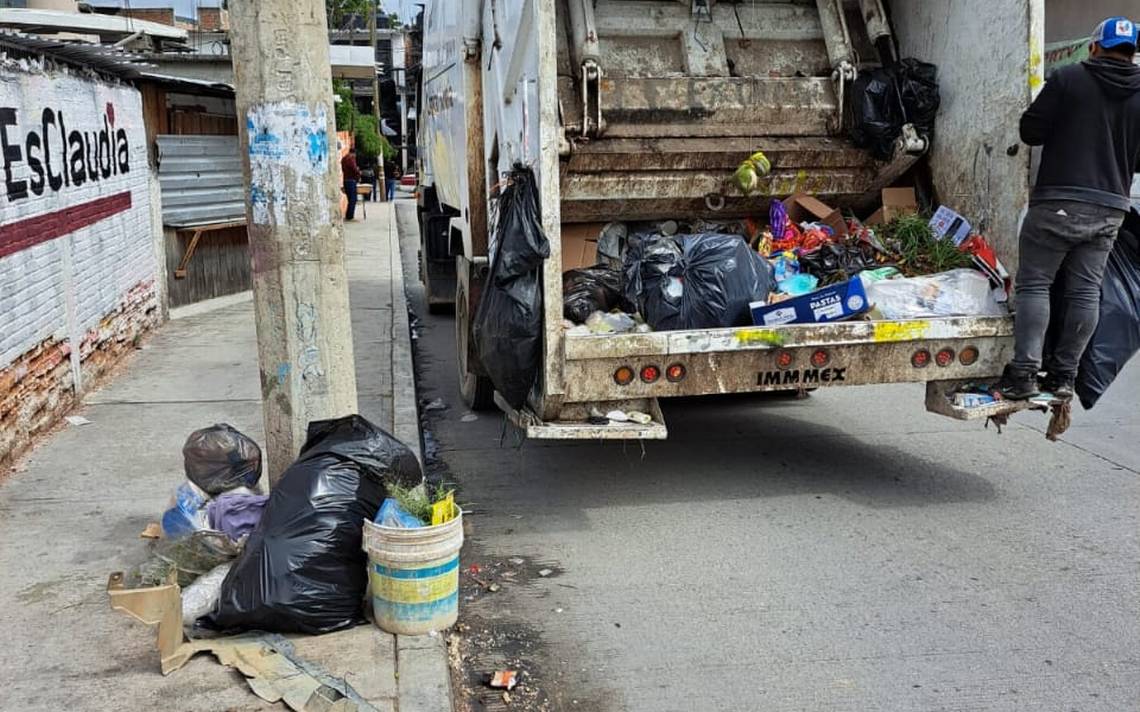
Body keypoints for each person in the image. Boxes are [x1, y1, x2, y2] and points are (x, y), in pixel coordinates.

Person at [997, 16, 1140, 401]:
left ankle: (1024, 373)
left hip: (1058, 202)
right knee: (1085, 292)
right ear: (1133, 53)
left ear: (1094, 46)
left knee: (1035, 284)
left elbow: (1031, 131)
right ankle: (1063, 377)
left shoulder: (1068, 79)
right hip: (1110, 208)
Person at [341, 147, 361, 221]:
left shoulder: (344, 159)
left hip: (345, 180)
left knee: (350, 199)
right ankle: (350, 216)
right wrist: (358, 172)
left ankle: (348, 215)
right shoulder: (350, 159)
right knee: (353, 199)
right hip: (351, 180)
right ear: (354, 153)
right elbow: (354, 169)